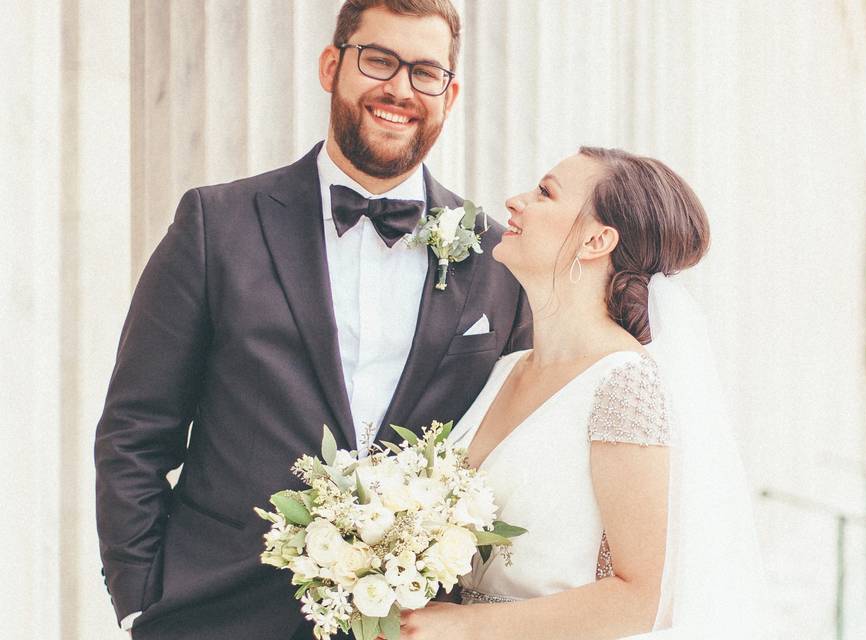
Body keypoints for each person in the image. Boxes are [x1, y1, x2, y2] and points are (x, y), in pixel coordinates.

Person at [94, 2, 530, 639]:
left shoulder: (498, 258)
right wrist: (140, 601)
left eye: (425, 72)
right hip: (218, 614)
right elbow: (135, 430)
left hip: (415, 622)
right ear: (332, 65)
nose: (399, 89)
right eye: (378, 60)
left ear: (450, 92)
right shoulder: (217, 224)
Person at [401, 148, 765, 639]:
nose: (514, 201)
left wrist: (468, 625)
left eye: (544, 192)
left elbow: (640, 599)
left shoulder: (624, 384)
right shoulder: (505, 370)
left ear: (596, 240)